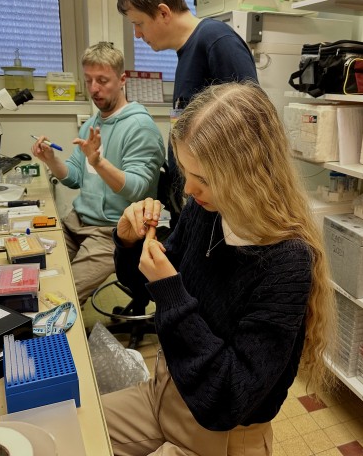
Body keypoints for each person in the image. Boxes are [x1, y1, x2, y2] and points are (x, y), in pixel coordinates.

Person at [101, 81, 336, 455]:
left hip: (221, 429)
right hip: (168, 390)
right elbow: (141, 284)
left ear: (250, 175)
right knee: (74, 431)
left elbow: (228, 396)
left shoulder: (286, 261)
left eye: (204, 180)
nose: (188, 190)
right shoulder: (205, 210)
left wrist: (171, 292)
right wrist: (130, 244)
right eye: (186, 172)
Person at [31, 42, 165, 305]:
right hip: (77, 222)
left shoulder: (140, 127)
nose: (94, 89)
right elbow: (74, 177)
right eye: (89, 80)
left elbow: (137, 189)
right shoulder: (93, 124)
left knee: (59, 299)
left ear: (122, 80)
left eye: (102, 80)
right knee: (34, 276)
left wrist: (99, 162)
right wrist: (51, 159)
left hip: (111, 231)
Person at [117, 0, 258, 225]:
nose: (137, 34)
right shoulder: (187, 51)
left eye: (139, 24)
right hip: (194, 200)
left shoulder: (216, 41)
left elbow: (251, 127)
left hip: (219, 205)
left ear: (163, 12)